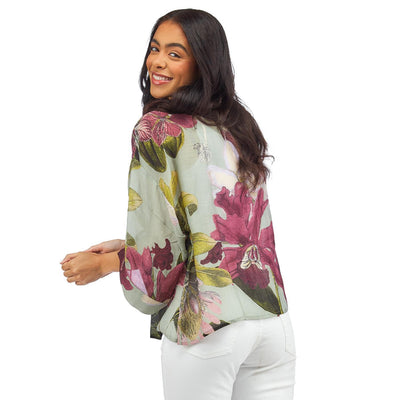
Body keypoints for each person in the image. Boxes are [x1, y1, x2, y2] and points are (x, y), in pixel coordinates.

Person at [60, 8, 296, 400]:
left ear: (202, 64)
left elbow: (162, 247)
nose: (157, 62)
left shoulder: (157, 129)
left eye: (175, 54)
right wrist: (125, 248)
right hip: (271, 324)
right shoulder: (237, 124)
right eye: (155, 49)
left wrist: (106, 264)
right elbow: (224, 228)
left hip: (208, 327)